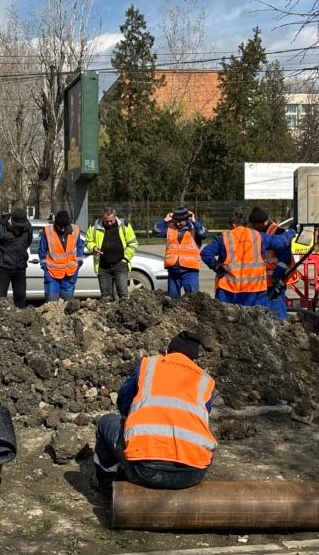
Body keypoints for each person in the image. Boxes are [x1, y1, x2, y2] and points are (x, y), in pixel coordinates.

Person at [92, 330, 216, 502]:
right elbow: (200, 417)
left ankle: (106, 487)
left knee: (106, 422)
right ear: (194, 361)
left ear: (167, 352)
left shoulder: (149, 365)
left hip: (145, 470)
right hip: (192, 474)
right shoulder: (206, 380)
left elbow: (124, 401)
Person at [200, 211, 294, 311]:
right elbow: (281, 241)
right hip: (255, 291)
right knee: (258, 322)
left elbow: (206, 253)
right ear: (246, 224)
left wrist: (217, 267)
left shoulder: (224, 238)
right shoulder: (258, 236)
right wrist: (292, 232)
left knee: (227, 323)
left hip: (229, 291)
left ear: (232, 225)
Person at [248, 207, 293, 321]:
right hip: (261, 282)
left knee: (276, 314)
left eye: (254, 225)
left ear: (262, 223)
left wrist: (277, 275)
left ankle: (280, 334)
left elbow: (285, 257)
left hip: (274, 281)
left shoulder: (277, 232)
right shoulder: (258, 232)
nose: (252, 228)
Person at [85, 206, 139, 301]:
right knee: (105, 296)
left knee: (123, 294)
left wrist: (125, 259)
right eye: (107, 221)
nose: (109, 223)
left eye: (111, 220)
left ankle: (124, 313)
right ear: (102, 218)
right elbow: (88, 241)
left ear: (115, 217)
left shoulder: (124, 225)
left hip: (120, 264)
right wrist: (93, 248)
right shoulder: (94, 226)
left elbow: (133, 243)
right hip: (103, 266)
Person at [154, 207, 207, 300]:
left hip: (190, 270)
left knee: (193, 300)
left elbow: (204, 234)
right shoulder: (170, 228)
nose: (178, 223)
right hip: (173, 270)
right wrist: (165, 220)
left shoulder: (194, 228)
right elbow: (156, 231)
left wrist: (194, 221)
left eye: (181, 221)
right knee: (173, 300)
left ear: (187, 219)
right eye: (176, 220)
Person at [0, 207, 33, 307]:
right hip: (4, 268)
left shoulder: (27, 228)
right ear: (12, 221)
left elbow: (28, 242)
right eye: (18, 225)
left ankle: (20, 317)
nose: (20, 227)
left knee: (20, 296)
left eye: (22, 225)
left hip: (20, 268)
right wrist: (1, 258)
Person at [39, 210, 86, 302]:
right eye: (60, 227)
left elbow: (80, 248)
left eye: (64, 227)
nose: (62, 229)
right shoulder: (48, 231)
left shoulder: (75, 230)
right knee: (52, 303)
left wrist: (78, 263)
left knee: (67, 304)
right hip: (52, 273)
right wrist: (45, 268)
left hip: (69, 274)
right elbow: (42, 251)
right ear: (56, 223)